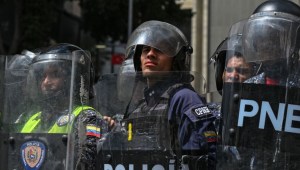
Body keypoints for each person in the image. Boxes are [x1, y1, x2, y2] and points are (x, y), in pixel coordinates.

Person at [112, 20, 217, 169]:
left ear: (176, 60)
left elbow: (201, 160)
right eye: (145, 50)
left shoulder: (184, 98)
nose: (151, 54)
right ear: (138, 60)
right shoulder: (141, 105)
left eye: (160, 49)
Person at [219, 0, 300, 169]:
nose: (266, 43)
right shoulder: (249, 87)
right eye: (261, 36)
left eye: (274, 35)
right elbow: (234, 146)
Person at [14, 43, 111, 170]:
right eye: (43, 76)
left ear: (74, 78)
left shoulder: (86, 117)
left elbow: (86, 165)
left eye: (55, 75)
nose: (46, 82)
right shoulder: (31, 119)